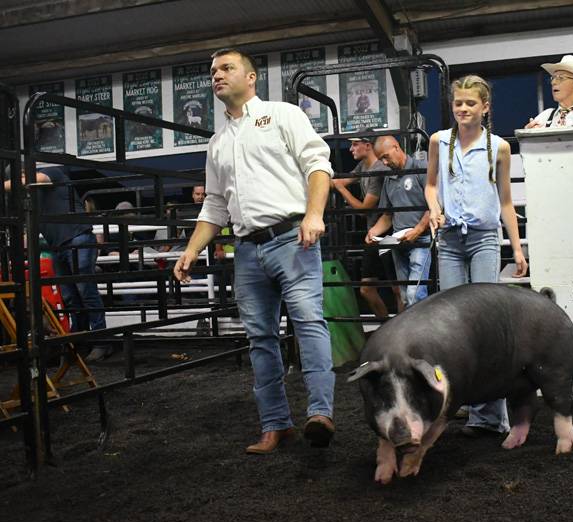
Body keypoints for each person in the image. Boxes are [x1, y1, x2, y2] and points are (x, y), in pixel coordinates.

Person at [173, 47, 335, 454]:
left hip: (292, 238)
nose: (217, 75)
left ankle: (320, 413)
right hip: (247, 248)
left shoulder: (283, 115)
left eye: (226, 68)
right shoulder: (217, 142)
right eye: (212, 71)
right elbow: (214, 204)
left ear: (251, 78)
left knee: (308, 321)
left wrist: (313, 215)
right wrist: (191, 250)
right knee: (260, 338)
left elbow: (318, 164)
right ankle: (275, 424)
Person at [426, 75, 528, 437]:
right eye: (458, 103)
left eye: (470, 103)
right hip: (451, 239)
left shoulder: (498, 147)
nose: (463, 109)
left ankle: (488, 416)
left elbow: (505, 201)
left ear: (485, 107)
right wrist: (434, 208)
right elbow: (431, 184)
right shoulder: (439, 141)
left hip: (484, 237)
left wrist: (516, 248)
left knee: (485, 322)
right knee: (451, 323)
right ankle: (458, 401)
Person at [4, 165, 111, 362]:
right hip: (59, 245)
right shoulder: (33, 196)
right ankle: (79, 341)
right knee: (71, 296)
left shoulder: (52, 173)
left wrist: (7, 185)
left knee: (85, 291)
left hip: (77, 237)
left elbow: (28, 181)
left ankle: (100, 342)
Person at [331, 128, 403, 318]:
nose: (351, 149)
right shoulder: (364, 167)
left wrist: (341, 190)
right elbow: (341, 181)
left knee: (398, 290)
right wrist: (316, 178)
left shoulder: (379, 170)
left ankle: (400, 335)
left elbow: (365, 208)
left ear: (368, 146)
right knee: (366, 290)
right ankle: (385, 329)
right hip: (372, 234)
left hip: (388, 233)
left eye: (355, 144)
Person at [368, 136, 431, 307]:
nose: (384, 162)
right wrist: (374, 231)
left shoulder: (420, 168)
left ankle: (423, 332)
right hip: (398, 242)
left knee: (414, 294)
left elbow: (434, 205)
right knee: (405, 296)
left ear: (396, 147)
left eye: (385, 156)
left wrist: (418, 230)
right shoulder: (389, 179)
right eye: (381, 159)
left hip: (420, 240)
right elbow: (388, 215)